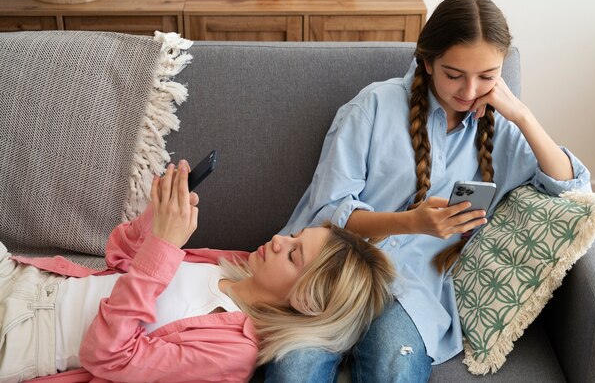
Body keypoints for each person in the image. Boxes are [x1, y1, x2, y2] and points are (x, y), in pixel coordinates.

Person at [265, 0, 591, 382]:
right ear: (426, 59)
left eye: (487, 76)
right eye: (454, 74)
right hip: (330, 273)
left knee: (396, 369)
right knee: (293, 372)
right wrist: (411, 223)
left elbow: (571, 185)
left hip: (409, 289)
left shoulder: (500, 128)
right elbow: (328, 212)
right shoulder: (372, 107)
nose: (469, 91)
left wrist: (521, 114)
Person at [0, 160, 396, 382]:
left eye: (293, 255)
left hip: (24, 336)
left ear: (307, 301)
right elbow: (118, 260)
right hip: (30, 278)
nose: (279, 241)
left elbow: (107, 356)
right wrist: (154, 220)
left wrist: (164, 247)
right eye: (294, 237)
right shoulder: (236, 265)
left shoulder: (232, 353)